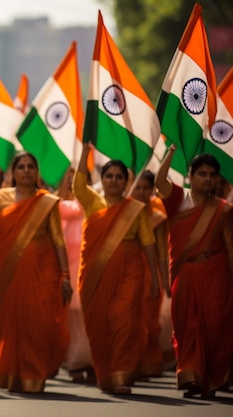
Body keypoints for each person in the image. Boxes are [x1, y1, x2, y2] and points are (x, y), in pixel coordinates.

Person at [0, 152, 72, 393]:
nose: (26, 170)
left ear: (36, 172)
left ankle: (34, 374)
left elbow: (58, 241)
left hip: (43, 271)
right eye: (22, 167)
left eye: (31, 166)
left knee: (38, 322)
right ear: (13, 172)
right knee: (11, 324)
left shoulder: (47, 201)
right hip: (9, 271)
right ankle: (11, 374)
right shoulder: (1, 197)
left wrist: (65, 275)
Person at [73, 143, 159, 395]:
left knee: (125, 320)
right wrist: (85, 154)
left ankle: (121, 375)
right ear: (102, 179)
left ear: (126, 181)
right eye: (109, 176)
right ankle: (106, 373)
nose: (113, 180)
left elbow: (148, 243)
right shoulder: (93, 202)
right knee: (98, 324)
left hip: (130, 269)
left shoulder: (135, 208)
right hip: (95, 273)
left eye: (118, 177)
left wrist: (154, 276)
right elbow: (78, 185)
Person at [155, 145, 233, 399]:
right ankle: (190, 375)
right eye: (202, 174)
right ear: (190, 176)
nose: (208, 179)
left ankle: (210, 378)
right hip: (186, 275)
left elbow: (230, 247)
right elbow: (159, 181)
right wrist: (170, 151)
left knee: (217, 326)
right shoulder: (178, 199)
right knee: (187, 327)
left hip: (216, 273)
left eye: (212, 174)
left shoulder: (222, 209)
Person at [131, 170, 171, 378]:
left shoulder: (157, 215)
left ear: (153, 189)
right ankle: (131, 362)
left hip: (149, 271)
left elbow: (163, 251)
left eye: (146, 187)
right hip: (126, 269)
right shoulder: (123, 210)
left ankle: (149, 361)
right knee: (129, 319)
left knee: (149, 321)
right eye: (137, 187)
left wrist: (164, 281)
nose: (141, 191)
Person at [56, 167, 94, 383]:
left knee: (91, 316)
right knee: (73, 318)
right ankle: (76, 362)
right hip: (70, 270)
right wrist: (65, 179)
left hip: (91, 268)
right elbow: (54, 201)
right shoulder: (66, 207)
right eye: (74, 183)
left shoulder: (97, 205)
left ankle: (93, 360)